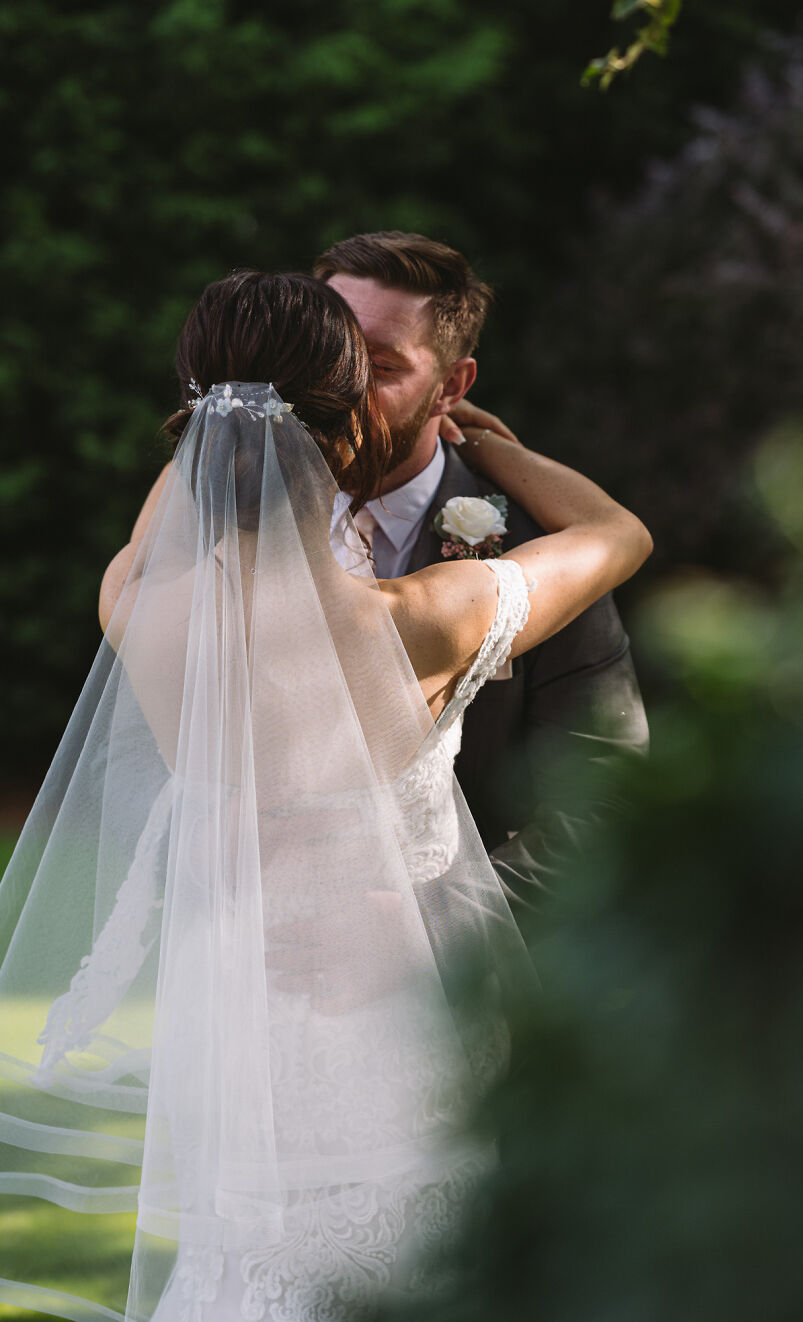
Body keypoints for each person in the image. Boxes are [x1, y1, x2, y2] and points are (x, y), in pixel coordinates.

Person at [0, 271, 650, 1322]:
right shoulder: (427, 621)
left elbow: (178, 498)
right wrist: (496, 448)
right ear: (348, 430)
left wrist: (228, 408)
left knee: (245, 1274)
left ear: (198, 428)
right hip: (399, 1039)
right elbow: (619, 534)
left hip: (244, 1032)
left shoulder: (139, 607)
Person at [314, 231, 649, 921]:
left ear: (453, 387)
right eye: (323, 355)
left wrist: (437, 928)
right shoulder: (235, 539)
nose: (337, 390)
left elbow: (607, 794)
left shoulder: (543, 548)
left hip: (466, 992)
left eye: (378, 366)